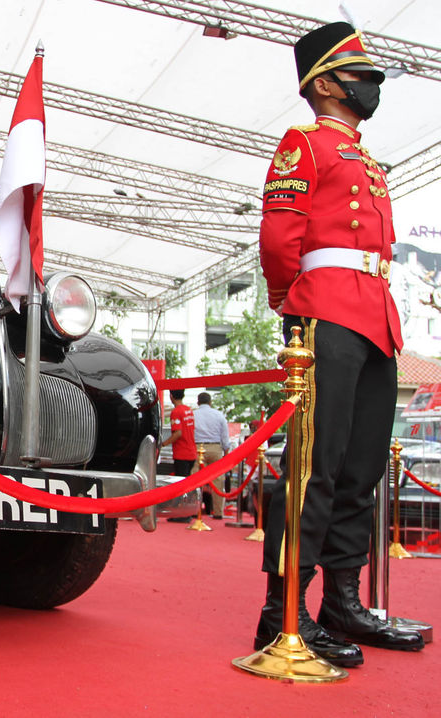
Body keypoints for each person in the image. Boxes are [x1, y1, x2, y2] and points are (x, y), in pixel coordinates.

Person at [254, 21, 425, 666]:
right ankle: (284, 611)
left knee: (361, 468)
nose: (370, 88)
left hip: (375, 317)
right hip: (324, 311)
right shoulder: (304, 143)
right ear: (325, 82)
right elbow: (280, 239)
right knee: (313, 467)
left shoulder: (364, 158)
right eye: (361, 78)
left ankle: (342, 602)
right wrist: (290, 305)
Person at [193, 392, 231, 519]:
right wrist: (226, 453)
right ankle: (218, 512)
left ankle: (194, 510)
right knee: (218, 481)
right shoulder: (219, 415)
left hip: (198, 448)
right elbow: (225, 437)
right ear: (210, 402)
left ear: (198, 402)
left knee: (195, 481)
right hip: (215, 448)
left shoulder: (193, 414)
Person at [161, 389, 196, 477]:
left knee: (181, 483)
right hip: (192, 453)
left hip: (181, 454)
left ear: (171, 396)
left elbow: (178, 433)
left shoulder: (176, 412)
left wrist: (163, 444)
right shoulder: (189, 410)